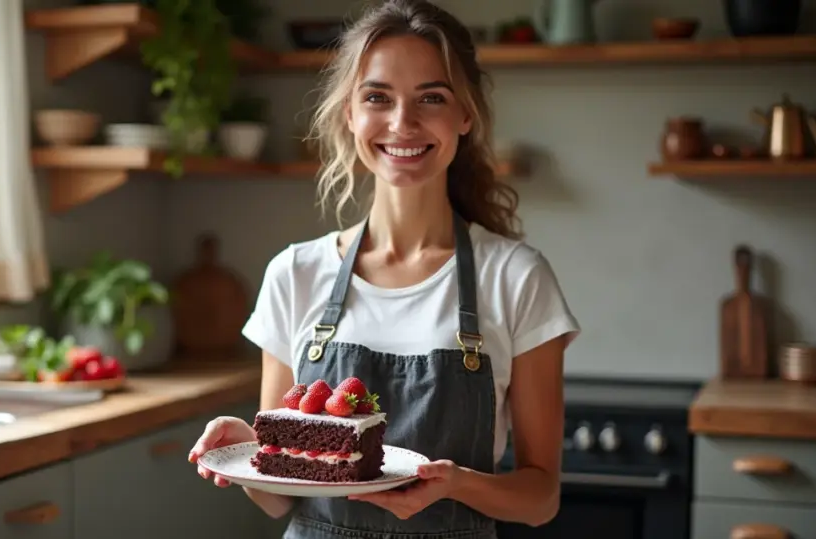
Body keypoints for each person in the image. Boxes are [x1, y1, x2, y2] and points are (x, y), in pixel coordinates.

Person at [188, 0, 580, 537]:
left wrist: (457, 484)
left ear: (465, 114)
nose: (402, 123)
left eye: (431, 98)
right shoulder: (295, 273)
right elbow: (280, 500)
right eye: (377, 97)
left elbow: (540, 498)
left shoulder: (515, 277)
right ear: (350, 113)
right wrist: (247, 450)